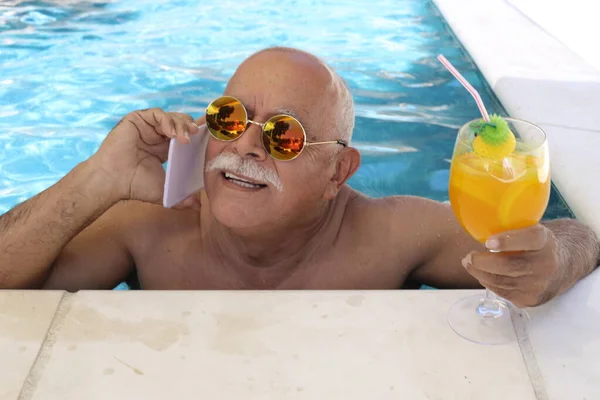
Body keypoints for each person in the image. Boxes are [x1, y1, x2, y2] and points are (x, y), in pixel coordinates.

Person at [0, 47, 598, 308]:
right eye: (231, 119)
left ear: (338, 170)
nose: (250, 144)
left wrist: (554, 258)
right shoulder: (146, 228)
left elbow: (577, 238)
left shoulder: (390, 235)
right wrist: (95, 179)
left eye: (284, 134)